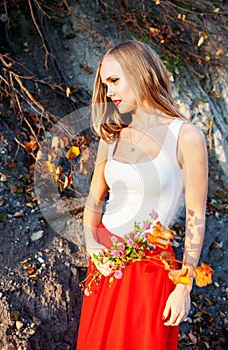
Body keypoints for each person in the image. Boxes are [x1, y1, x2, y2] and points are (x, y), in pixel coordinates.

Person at [76, 40, 208, 350]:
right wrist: (93, 248)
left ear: (140, 73)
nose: (108, 92)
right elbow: (94, 202)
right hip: (106, 264)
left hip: (150, 272)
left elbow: (195, 217)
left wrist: (183, 286)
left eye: (114, 80)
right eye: (105, 83)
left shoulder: (186, 136)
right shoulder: (113, 134)